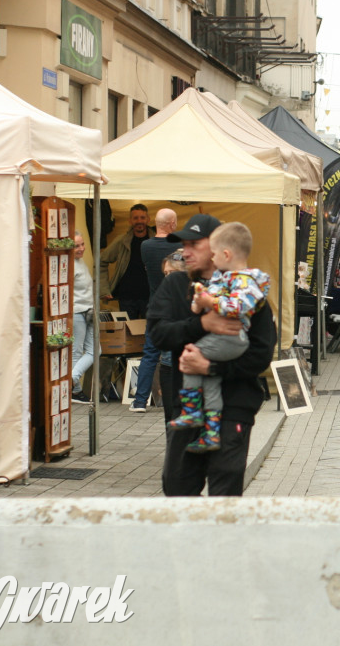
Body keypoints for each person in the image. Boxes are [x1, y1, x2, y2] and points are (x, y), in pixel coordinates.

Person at [148, 214, 275, 496]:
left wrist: (211, 367)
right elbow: (158, 334)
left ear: (219, 247)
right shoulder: (175, 285)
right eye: (184, 245)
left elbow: (261, 353)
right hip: (188, 409)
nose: (185, 251)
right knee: (177, 487)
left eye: (194, 244)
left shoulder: (247, 289)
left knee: (225, 491)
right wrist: (201, 324)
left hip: (234, 407)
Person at [167, 222, 270, 453]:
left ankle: (192, 411)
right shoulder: (226, 278)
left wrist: (209, 302)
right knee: (210, 380)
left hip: (232, 340)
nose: (211, 259)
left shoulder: (247, 280)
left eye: (213, 254)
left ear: (225, 254)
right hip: (226, 341)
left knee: (191, 357)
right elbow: (203, 303)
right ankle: (211, 433)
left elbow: (237, 307)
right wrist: (200, 300)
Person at [131, 208, 181, 413]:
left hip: (154, 306)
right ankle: (173, 400)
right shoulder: (180, 246)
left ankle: (140, 401)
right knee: (172, 357)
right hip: (175, 309)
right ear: (171, 224)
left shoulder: (145, 246)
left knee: (150, 354)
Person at [99, 203, 155, 319]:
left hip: (151, 297)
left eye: (142, 217)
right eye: (135, 218)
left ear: (148, 219)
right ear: (130, 221)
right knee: (128, 334)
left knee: (151, 333)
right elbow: (101, 261)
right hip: (127, 298)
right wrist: (104, 289)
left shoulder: (156, 241)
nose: (139, 221)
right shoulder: (122, 241)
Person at [157, 250, 187, 422]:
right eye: (166, 274)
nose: (168, 278)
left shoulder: (199, 297)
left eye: (172, 273)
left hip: (191, 366)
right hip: (168, 365)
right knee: (171, 418)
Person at [70, 231, 99, 404]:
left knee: (96, 349)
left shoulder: (80, 262)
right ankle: (76, 390)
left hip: (88, 311)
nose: (81, 248)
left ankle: (72, 380)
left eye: (82, 244)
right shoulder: (69, 265)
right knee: (76, 350)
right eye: (76, 246)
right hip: (77, 311)